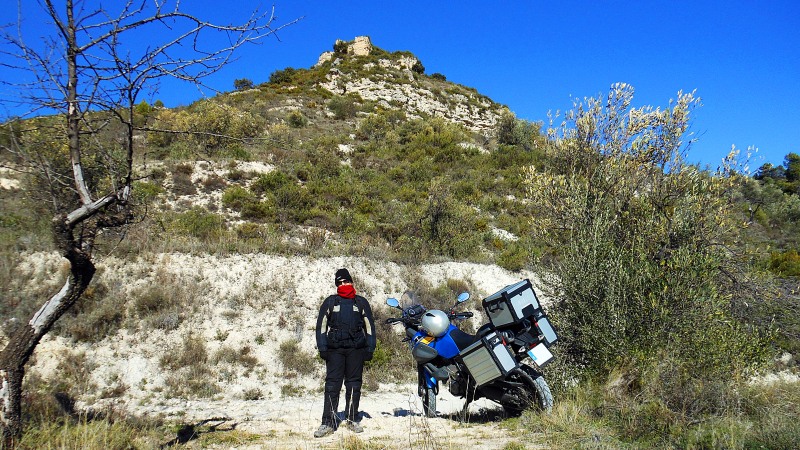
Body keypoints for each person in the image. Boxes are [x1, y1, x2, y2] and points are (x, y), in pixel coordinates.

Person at [314, 268, 376, 438]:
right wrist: (323, 348)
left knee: (354, 384)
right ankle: (328, 422)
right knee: (332, 385)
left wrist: (370, 348)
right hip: (334, 351)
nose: (343, 285)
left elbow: (369, 326)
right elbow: (321, 326)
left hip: (356, 350)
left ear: (351, 282)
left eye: (346, 281)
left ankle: (352, 418)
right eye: (340, 283)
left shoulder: (361, 302)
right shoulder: (330, 302)